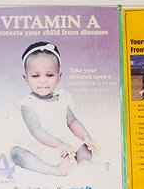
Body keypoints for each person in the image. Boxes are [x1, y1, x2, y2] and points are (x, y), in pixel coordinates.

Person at [11, 42, 100, 176]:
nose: (43, 81)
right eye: (36, 76)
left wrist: (86, 137)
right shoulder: (28, 104)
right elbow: (36, 131)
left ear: (59, 77)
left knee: (84, 146)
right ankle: (53, 170)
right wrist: (59, 144)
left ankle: (84, 163)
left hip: (64, 143)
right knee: (17, 153)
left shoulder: (62, 97)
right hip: (41, 144)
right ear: (26, 78)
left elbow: (72, 121)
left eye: (49, 75)